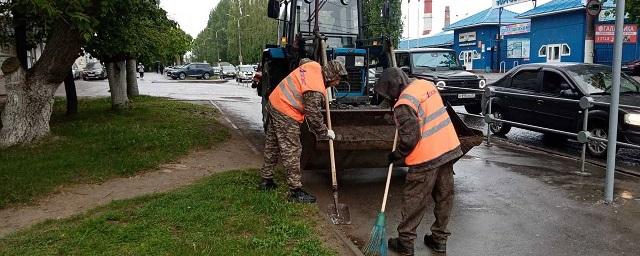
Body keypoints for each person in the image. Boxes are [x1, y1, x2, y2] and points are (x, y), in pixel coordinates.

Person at [374, 68, 462, 255]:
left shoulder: (404, 104)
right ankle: (439, 240)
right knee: (444, 197)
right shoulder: (424, 85)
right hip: (447, 150)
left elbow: (410, 138)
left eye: (387, 94)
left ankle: (405, 242)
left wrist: (397, 155)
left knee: (415, 200)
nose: (388, 99)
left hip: (426, 159)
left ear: (392, 88)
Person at [259, 59, 348, 203]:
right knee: (292, 150)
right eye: (337, 80)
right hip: (286, 111)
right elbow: (313, 115)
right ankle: (295, 191)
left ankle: (266, 180)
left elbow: (302, 61)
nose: (337, 84)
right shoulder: (315, 89)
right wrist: (324, 132)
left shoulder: (313, 65)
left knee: (272, 144)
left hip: (274, 102)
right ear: (331, 76)